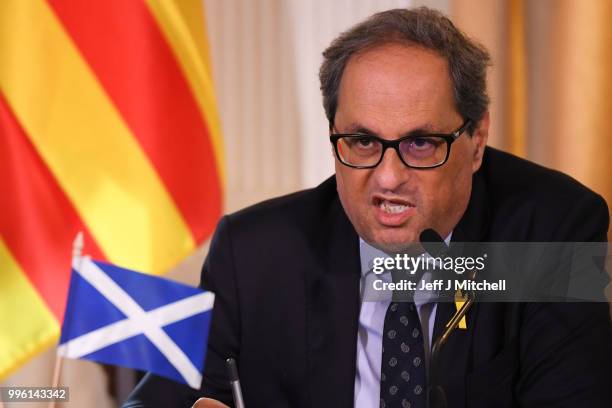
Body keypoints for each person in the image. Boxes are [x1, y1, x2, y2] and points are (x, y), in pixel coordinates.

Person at [124, 7, 611, 408]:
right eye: (361, 141)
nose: (387, 178)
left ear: (477, 139)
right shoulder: (255, 255)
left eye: (420, 143)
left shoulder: (555, 232)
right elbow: (151, 402)